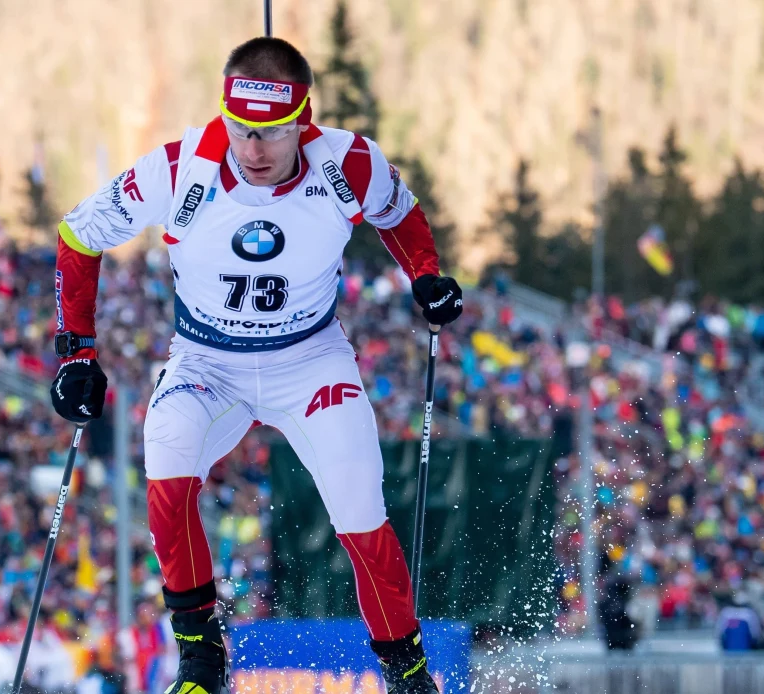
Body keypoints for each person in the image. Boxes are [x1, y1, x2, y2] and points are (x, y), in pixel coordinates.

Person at [48, 37, 463, 694]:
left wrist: (427, 276)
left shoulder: (347, 163)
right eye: (241, 129)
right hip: (208, 361)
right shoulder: (182, 165)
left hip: (310, 361)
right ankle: (202, 661)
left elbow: (401, 216)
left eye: (271, 133)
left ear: (303, 120)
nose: (253, 149)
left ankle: (407, 674)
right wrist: (76, 352)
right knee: (166, 450)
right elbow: (78, 234)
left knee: (359, 505)